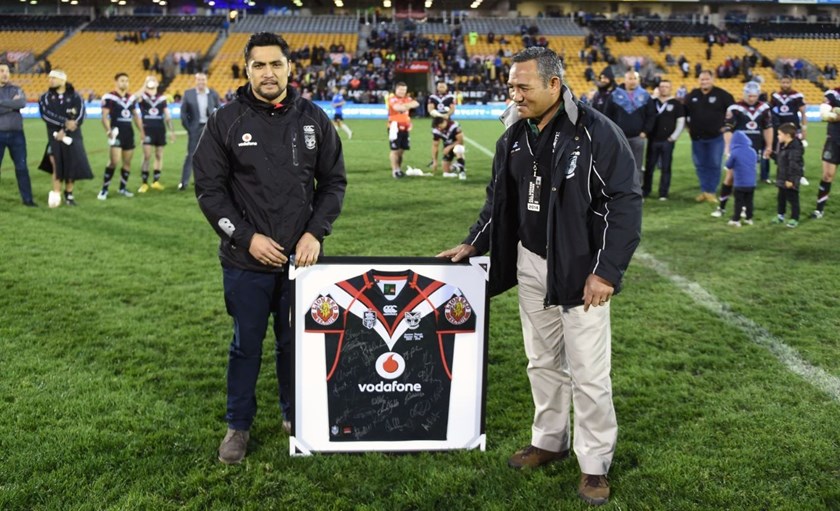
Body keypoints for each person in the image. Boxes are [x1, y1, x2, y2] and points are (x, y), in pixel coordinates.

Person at [437, 47, 642, 507]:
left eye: (522, 86)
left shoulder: (597, 133)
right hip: (529, 262)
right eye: (512, 86)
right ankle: (550, 439)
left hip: (580, 268)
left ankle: (594, 464)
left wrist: (606, 271)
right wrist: (476, 241)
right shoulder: (513, 134)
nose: (515, 94)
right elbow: (499, 201)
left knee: (589, 372)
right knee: (542, 360)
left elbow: (624, 203)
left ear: (554, 85)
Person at [193, 32, 346, 466]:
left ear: (289, 67)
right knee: (246, 346)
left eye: (275, 64)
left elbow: (333, 182)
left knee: (294, 343)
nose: (268, 73)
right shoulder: (225, 121)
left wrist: (315, 232)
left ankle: (293, 414)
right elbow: (209, 191)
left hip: (302, 263)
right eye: (258, 65)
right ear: (247, 70)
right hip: (246, 262)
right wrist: (246, 238)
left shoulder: (314, 118)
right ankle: (237, 426)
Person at [711, 81, 772, 218]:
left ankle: (744, 207)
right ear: (744, 94)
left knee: (749, 178)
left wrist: (769, 146)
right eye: (749, 95)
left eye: (754, 96)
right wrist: (728, 147)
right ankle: (721, 207)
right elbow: (728, 129)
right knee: (730, 177)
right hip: (737, 148)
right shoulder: (734, 108)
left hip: (754, 147)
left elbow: (768, 128)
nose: (752, 98)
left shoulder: (764, 108)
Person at [37, 69, 93, 207]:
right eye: (49, 78)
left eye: (53, 78)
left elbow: (80, 115)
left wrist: (65, 129)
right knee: (56, 164)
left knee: (71, 165)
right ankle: (56, 194)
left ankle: (69, 195)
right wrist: (64, 123)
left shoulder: (75, 96)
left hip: (73, 136)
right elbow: (46, 115)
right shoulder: (45, 97)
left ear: (63, 80)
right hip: (54, 138)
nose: (50, 80)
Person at [684, 70, 735, 203]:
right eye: (702, 79)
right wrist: (689, 128)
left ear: (713, 80)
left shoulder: (723, 95)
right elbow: (683, 113)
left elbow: (734, 112)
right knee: (700, 165)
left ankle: (710, 191)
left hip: (715, 138)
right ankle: (705, 190)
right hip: (697, 138)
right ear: (698, 80)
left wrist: (727, 127)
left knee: (714, 164)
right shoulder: (692, 95)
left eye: (707, 79)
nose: (704, 82)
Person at [604, 70, 655, 186]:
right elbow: (607, 115)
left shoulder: (645, 96)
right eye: (630, 78)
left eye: (635, 79)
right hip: (619, 138)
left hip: (638, 137)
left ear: (639, 80)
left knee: (637, 165)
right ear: (624, 80)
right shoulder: (614, 95)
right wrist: (613, 132)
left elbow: (651, 115)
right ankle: (620, 191)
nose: (632, 81)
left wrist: (645, 131)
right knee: (618, 165)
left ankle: (636, 191)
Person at [98, 72, 144, 200]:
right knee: (114, 162)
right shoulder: (110, 97)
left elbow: (136, 116)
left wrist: (142, 131)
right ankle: (104, 190)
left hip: (129, 133)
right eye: (122, 80)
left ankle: (122, 188)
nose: (125, 83)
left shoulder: (131, 98)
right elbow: (104, 117)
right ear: (116, 82)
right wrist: (109, 131)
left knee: (127, 163)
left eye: (126, 81)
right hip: (116, 133)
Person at [0, 63, 36, 206]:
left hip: (17, 135)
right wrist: (11, 105)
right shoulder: (13, 92)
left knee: (22, 167)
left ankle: (28, 200)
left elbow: (21, 103)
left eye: (7, 71)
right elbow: (15, 105)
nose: (5, 74)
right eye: (2, 71)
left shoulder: (16, 88)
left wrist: (2, 103)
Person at [644, 79, 684, 200]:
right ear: (659, 88)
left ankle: (663, 193)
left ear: (670, 88)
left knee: (666, 167)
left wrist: (673, 137)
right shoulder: (652, 102)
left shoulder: (676, 104)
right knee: (649, 167)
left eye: (666, 86)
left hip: (667, 141)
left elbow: (680, 122)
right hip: (652, 140)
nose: (664, 88)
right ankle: (646, 190)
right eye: (661, 86)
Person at [180, 72, 221, 190]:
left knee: (210, 156)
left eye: (203, 80)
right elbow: (183, 114)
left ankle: (207, 181)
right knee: (191, 155)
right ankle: (184, 182)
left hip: (209, 128)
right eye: (199, 80)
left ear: (206, 81)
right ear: (195, 81)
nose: (201, 82)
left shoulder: (212, 93)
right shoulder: (188, 94)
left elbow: (219, 110)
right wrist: (189, 128)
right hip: (195, 128)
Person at [136, 77, 175, 193]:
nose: (152, 82)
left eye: (153, 80)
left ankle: (155, 181)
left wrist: (172, 131)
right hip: (147, 129)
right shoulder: (143, 97)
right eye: (150, 80)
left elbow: (167, 116)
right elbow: (134, 97)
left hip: (160, 130)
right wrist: (144, 84)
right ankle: (144, 183)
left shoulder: (162, 98)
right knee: (147, 156)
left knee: (159, 155)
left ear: (157, 83)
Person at [770, 75, 808, 186]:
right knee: (781, 153)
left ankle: (800, 175)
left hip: (794, 128)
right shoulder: (776, 96)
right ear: (780, 83)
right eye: (783, 82)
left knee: (797, 153)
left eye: (787, 82)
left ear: (791, 83)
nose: (785, 84)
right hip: (780, 129)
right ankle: (783, 176)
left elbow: (803, 113)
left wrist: (804, 129)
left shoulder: (797, 95)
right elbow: (770, 111)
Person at [812, 86, 840, 219]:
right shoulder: (833, 93)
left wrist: (837, 112)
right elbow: (825, 115)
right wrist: (833, 114)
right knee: (827, 175)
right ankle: (819, 210)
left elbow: (833, 115)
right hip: (834, 140)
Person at [772, 123, 804, 228]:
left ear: (787, 135)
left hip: (790, 178)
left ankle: (795, 218)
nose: (778, 136)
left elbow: (794, 166)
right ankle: (780, 215)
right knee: (781, 197)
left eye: (779, 134)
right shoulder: (784, 146)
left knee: (793, 198)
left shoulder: (794, 149)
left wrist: (790, 180)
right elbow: (781, 160)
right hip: (782, 177)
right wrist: (771, 155)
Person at [722, 131, 757, 227]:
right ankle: (749, 219)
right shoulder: (752, 151)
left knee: (738, 202)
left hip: (740, 183)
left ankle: (736, 219)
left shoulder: (735, 152)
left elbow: (728, 166)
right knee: (749, 202)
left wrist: (728, 158)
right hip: (752, 183)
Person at [387, 82, 419, 179]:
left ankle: (399, 169)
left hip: (406, 126)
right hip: (394, 126)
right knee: (395, 150)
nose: (402, 92)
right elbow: (397, 107)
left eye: (404, 90)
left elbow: (416, 103)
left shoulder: (406, 98)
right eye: (400, 89)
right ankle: (395, 170)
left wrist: (405, 105)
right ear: (396, 89)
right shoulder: (391, 98)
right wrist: (408, 105)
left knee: (402, 150)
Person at [427, 80, 456, 172]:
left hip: (447, 123)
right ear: (437, 87)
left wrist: (447, 115)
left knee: (449, 143)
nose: (441, 88)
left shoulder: (450, 97)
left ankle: (449, 162)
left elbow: (452, 109)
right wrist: (439, 116)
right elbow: (430, 109)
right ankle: (434, 161)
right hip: (437, 122)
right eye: (440, 86)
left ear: (446, 87)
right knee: (435, 143)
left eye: (443, 86)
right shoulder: (432, 97)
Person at [431, 116, 466, 180]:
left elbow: (461, 141)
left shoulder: (454, 126)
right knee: (446, 172)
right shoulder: (436, 130)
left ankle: (462, 172)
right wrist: (434, 161)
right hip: (447, 147)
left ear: (444, 122)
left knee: (458, 149)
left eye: (439, 126)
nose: (439, 129)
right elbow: (435, 146)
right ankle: (456, 167)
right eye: (437, 127)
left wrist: (449, 147)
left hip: (457, 144)